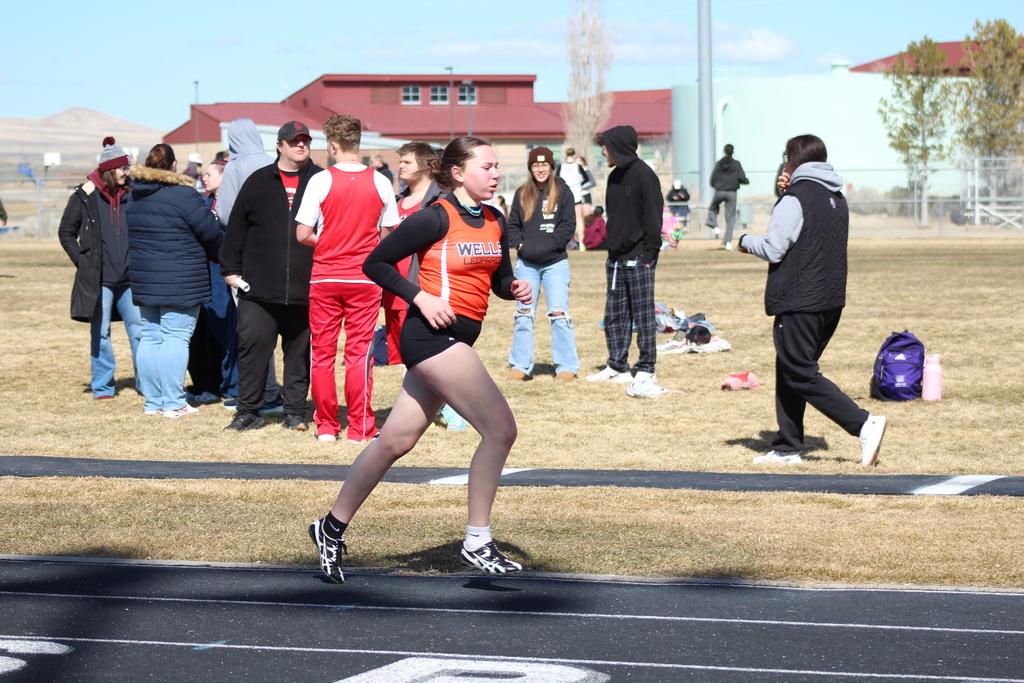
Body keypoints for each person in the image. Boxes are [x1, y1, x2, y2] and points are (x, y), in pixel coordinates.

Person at [307, 136, 533, 583]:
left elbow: (499, 280)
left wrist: (514, 289)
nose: (494, 174)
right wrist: (421, 297)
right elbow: (376, 264)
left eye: (495, 167)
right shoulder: (435, 217)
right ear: (457, 173)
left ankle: (329, 527)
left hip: (455, 338)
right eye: (486, 167)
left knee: (395, 442)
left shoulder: (494, 219)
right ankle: (477, 540)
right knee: (501, 429)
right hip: (430, 337)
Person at [737, 134, 886, 467]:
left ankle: (863, 423)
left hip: (799, 301)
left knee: (801, 373)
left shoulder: (796, 198)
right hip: (829, 301)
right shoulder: (835, 196)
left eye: (786, 158)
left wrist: (745, 241)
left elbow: (776, 246)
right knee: (790, 369)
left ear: (793, 160)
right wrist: (786, 194)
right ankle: (787, 447)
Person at [296, 115, 399, 443]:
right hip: (364, 279)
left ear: (333, 146)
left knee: (322, 353)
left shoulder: (320, 180)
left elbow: (302, 233)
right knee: (359, 354)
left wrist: (328, 241)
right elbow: (388, 235)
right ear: (358, 144)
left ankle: (327, 426)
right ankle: (360, 427)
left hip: (325, 277)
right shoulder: (382, 182)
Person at [220, 121, 322, 433]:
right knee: (252, 349)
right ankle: (248, 411)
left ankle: (294, 412)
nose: (300, 146)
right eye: (293, 141)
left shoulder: (321, 179)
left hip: (307, 285)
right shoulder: (258, 180)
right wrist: (229, 269)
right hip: (259, 287)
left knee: (299, 354)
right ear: (279, 145)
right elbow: (236, 227)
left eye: (304, 140)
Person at [126, 144, 222, 417]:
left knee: (151, 337)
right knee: (176, 338)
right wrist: (225, 256)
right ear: (173, 166)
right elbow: (210, 234)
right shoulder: (185, 195)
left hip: (145, 278)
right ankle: (173, 402)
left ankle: (153, 401)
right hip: (180, 278)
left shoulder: (134, 196)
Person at [57, 137, 142, 401]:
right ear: (108, 171)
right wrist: (83, 260)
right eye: (123, 168)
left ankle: (146, 383)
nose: (127, 173)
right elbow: (66, 232)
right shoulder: (84, 196)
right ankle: (103, 386)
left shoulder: (134, 193)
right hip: (100, 280)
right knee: (101, 332)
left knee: (139, 332)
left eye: (127, 168)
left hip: (131, 279)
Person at [586, 126, 665, 397]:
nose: (603, 151)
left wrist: (648, 256)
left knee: (643, 315)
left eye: (605, 147)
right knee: (615, 315)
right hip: (616, 259)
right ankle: (617, 365)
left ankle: (646, 367)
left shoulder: (645, 176)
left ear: (618, 146)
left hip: (639, 257)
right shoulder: (614, 177)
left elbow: (654, 220)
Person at [217, 118, 282, 412]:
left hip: (246, 259)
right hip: (279, 257)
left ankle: (262, 393)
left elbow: (227, 215)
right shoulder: (273, 161)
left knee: (253, 329)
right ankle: (275, 392)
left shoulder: (235, 166)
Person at [506, 146, 579, 382]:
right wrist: (520, 247)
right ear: (530, 168)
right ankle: (520, 365)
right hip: (527, 265)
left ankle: (567, 366)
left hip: (555, 263)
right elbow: (512, 227)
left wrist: (549, 247)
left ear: (551, 167)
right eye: (536, 165)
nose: (540, 168)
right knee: (523, 314)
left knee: (559, 314)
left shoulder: (563, 191)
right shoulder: (521, 193)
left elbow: (568, 226)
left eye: (544, 164)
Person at [186, 160, 236, 405]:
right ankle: (207, 381)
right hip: (203, 274)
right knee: (203, 330)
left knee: (224, 329)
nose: (204, 178)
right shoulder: (203, 204)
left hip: (223, 275)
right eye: (203, 174)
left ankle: (229, 383)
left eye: (209, 174)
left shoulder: (232, 205)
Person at [705, 144, 749, 250]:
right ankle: (728, 241)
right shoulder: (736, 164)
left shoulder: (719, 164)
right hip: (731, 193)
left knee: (713, 209)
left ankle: (714, 225)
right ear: (733, 152)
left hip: (719, 191)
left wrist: (718, 185)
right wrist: (744, 181)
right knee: (730, 217)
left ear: (724, 151)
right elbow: (742, 178)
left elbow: (712, 180)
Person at [557, 148, 587, 246]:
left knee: (562, 219)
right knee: (579, 218)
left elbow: (556, 179)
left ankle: (563, 242)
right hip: (576, 194)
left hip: (563, 194)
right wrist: (579, 184)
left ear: (566, 155)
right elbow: (586, 179)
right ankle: (581, 243)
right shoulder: (577, 166)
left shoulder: (561, 167)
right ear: (574, 156)